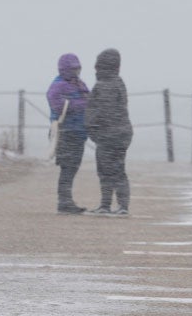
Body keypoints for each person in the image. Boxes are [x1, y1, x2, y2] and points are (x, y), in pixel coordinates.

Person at [84, 48, 133, 215]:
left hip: (108, 135)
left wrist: (91, 128)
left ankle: (107, 204)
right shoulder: (119, 82)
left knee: (106, 170)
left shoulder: (104, 85)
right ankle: (122, 205)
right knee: (118, 169)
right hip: (121, 133)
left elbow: (101, 111)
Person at [47, 53, 89, 214]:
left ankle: (66, 200)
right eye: (73, 68)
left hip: (78, 131)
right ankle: (64, 201)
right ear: (65, 69)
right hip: (66, 131)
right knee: (67, 167)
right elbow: (56, 104)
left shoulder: (79, 83)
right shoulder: (58, 85)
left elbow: (89, 98)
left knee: (73, 167)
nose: (76, 71)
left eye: (78, 68)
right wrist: (81, 104)